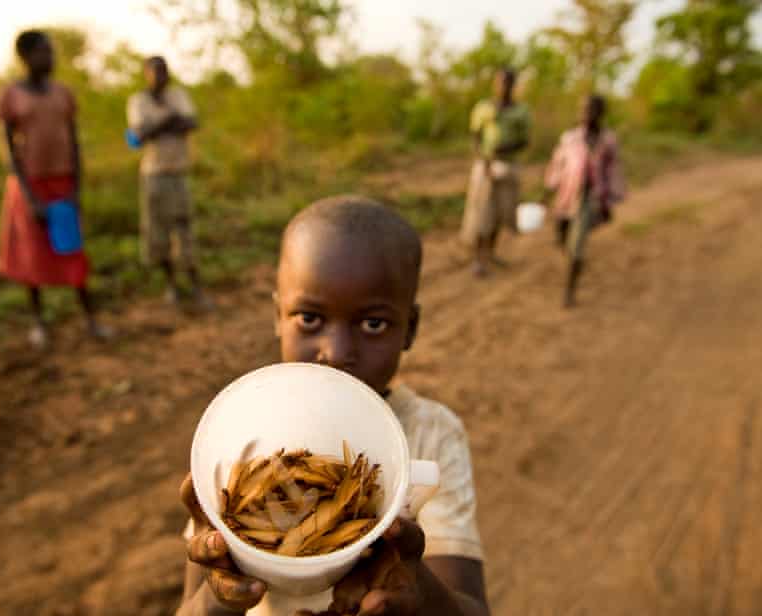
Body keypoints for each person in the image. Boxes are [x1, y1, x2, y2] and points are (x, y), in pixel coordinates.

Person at [175, 196, 489, 616]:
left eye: (372, 324)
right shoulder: (240, 438)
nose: (336, 352)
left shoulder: (433, 436)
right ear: (278, 315)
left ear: (409, 328)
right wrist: (218, 592)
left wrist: (418, 592)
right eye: (309, 318)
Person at [0, 29, 109, 348]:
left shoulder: (62, 94)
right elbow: (7, 152)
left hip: (63, 184)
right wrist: (30, 198)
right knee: (32, 255)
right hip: (29, 185)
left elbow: (73, 142)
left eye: (52, 52)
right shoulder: (11, 96)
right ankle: (39, 323)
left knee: (73, 251)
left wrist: (75, 189)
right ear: (26, 56)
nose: (51, 58)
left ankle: (90, 319)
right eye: (45, 52)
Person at [127, 56, 209, 308]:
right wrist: (168, 121)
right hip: (154, 175)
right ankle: (171, 286)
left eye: (164, 71)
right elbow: (138, 136)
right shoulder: (138, 101)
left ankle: (196, 287)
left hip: (179, 172)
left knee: (184, 228)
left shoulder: (178, 95)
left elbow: (191, 123)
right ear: (146, 74)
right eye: (156, 72)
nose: (161, 76)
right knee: (157, 231)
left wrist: (158, 126)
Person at [545, 94, 625, 308]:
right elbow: (557, 165)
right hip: (566, 196)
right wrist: (547, 191)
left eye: (589, 110)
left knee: (576, 245)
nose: (584, 114)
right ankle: (575, 260)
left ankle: (569, 291)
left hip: (590, 199)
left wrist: (609, 203)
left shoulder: (608, 141)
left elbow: (613, 171)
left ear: (600, 113)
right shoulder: (569, 137)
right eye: (582, 109)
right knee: (562, 238)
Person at [461, 68, 531, 278]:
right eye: (502, 82)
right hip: (486, 166)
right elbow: (475, 135)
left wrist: (506, 149)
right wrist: (483, 159)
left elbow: (525, 140)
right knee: (482, 213)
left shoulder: (521, 111)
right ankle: (478, 259)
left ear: (514, 85)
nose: (505, 86)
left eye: (509, 82)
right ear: (495, 84)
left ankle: (490, 253)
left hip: (509, 167)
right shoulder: (484, 108)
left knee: (500, 213)